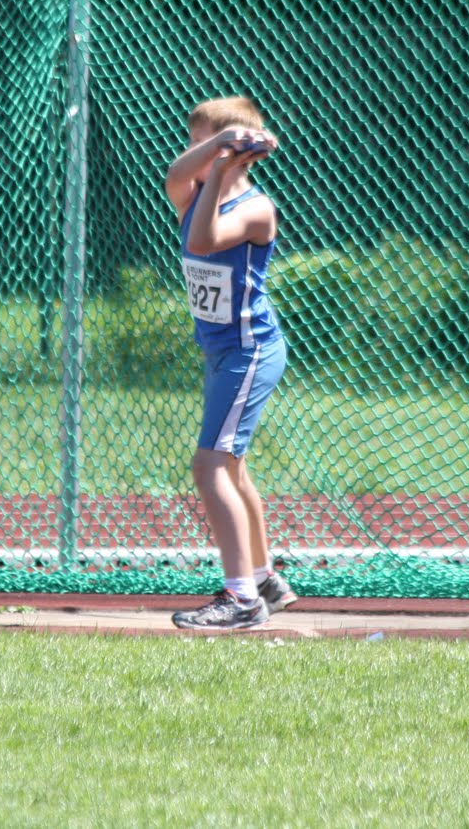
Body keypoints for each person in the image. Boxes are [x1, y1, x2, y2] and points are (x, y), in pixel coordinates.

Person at [163, 95, 297, 631]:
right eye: (196, 142)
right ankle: (263, 580)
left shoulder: (256, 209)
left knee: (210, 466)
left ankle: (241, 599)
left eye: (203, 143)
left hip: (250, 349)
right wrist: (217, 150)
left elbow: (204, 241)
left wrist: (220, 165)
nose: (193, 154)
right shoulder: (191, 191)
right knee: (232, 466)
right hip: (221, 353)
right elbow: (177, 174)